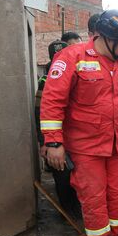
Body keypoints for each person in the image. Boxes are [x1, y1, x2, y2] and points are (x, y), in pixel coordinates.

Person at [40, 9, 118, 236]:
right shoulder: (71, 58)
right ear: (108, 37)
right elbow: (52, 101)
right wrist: (53, 142)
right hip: (86, 148)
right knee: (93, 197)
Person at [35, 40, 81, 218]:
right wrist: (45, 142)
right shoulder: (47, 78)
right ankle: (68, 211)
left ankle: (77, 207)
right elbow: (39, 113)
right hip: (55, 138)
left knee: (76, 173)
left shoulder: (75, 71)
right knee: (62, 175)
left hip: (74, 136)